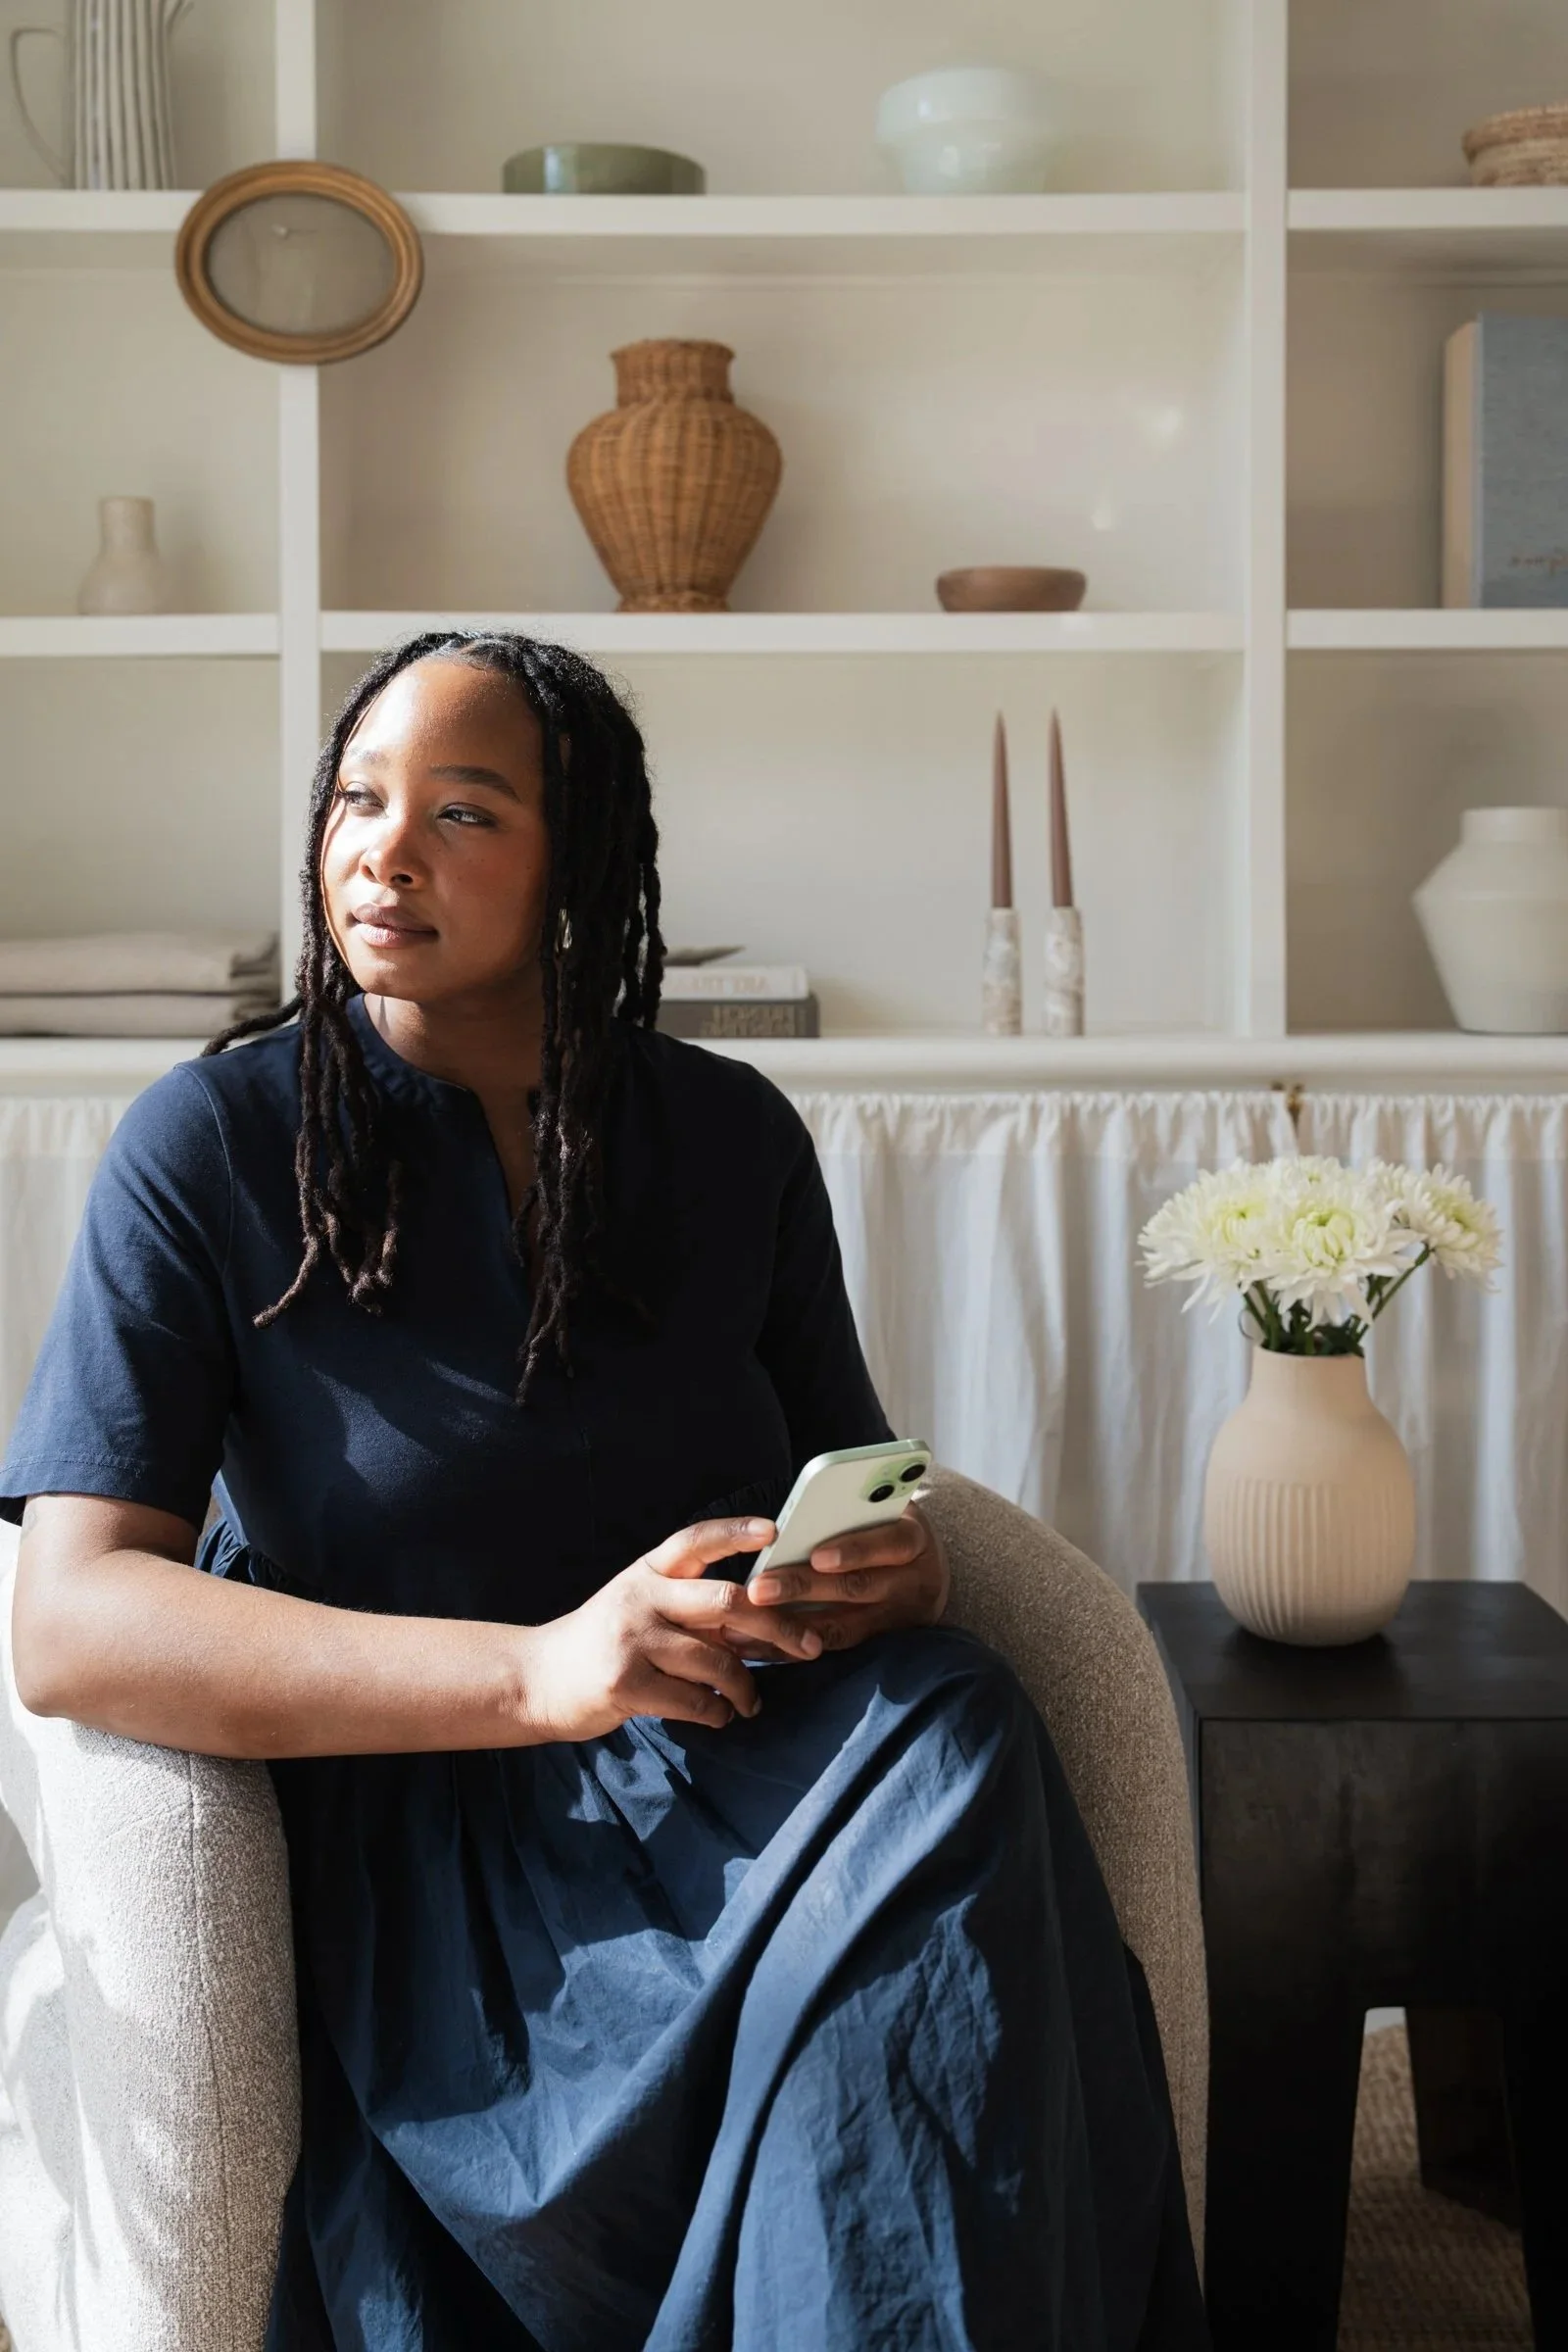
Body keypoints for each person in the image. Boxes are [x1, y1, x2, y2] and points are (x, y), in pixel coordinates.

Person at [2, 633, 1207, 2350]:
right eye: (357, 798)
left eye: (462, 811)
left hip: (741, 1765)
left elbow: (848, 1480)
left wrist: (886, 1574)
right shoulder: (208, 1146)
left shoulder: (731, 1140)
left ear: (579, 869)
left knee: (952, 1720)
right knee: (927, 1816)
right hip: (443, 1834)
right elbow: (69, 1619)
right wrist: (542, 1671)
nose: (382, 850)